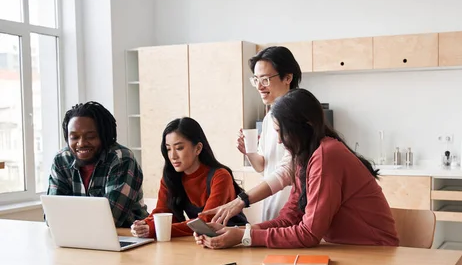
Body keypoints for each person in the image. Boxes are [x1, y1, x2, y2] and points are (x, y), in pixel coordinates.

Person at [195, 89, 400, 249]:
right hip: (345, 250)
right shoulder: (305, 157)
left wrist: (245, 236)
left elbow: (308, 234)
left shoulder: (327, 155)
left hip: (374, 252)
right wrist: (238, 231)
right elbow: (289, 218)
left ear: (304, 127)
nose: (278, 140)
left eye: (280, 131)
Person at [203, 46, 302, 225]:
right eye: (255, 79)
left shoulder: (298, 117)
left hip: (294, 208)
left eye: (264, 79)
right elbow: (263, 166)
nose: (258, 86)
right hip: (271, 202)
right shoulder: (268, 118)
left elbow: (289, 170)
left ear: (287, 77)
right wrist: (249, 152)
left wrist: (241, 200)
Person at [130, 117, 247, 239]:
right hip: (203, 242)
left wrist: (155, 229)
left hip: (236, 241)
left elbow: (205, 223)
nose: (172, 156)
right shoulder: (171, 177)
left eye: (179, 148)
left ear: (198, 148)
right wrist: (143, 224)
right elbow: (162, 213)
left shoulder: (221, 176)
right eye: (168, 149)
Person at [47, 101, 148, 228]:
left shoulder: (122, 158)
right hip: (75, 238)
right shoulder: (61, 160)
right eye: (74, 137)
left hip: (128, 237)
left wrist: (67, 216)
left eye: (90, 136)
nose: (81, 143)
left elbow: (111, 218)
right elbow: (51, 217)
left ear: (105, 135)